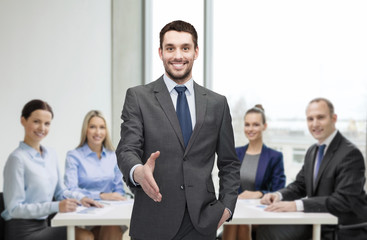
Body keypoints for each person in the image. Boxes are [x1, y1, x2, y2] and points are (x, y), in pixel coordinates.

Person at [116, 20, 241, 240]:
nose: (178, 56)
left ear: (196, 52)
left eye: (185, 48)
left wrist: (227, 208)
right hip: (153, 220)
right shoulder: (138, 97)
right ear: (160, 52)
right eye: (170, 48)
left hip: (201, 223)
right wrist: (138, 172)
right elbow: (127, 149)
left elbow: (229, 162)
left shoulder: (217, 103)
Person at [258, 98, 367, 240]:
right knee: (264, 228)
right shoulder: (312, 151)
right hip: (318, 222)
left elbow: (343, 200)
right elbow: (300, 185)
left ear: (334, 118)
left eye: (320, 117)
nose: (315, 124)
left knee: (270, 233)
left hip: (343, 230)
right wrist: (278, 195)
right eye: (310, 119)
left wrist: (296, 205)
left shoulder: (350, 154)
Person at [1, 99, 102, 240]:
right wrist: (56, 206)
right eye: (36, 121)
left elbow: (60, 191)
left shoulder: (50, 154)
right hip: (23, 232)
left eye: (47, 123)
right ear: (23, 121)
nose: (42, 128)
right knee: (84, 236)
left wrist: (82, 198)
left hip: (44, 225)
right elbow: (13, 209)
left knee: (99, 232)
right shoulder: (17, 159)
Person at [222, 105, 286, 240]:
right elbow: (227, 184)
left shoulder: (274, 156)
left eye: (256, 125)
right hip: (237, 208)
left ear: (264, 126)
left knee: (241, 221)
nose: (250, 129)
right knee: (235, 218)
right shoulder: (236, 153)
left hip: (261, 210)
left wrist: (259, 193)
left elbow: (280, 190)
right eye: (247, 124)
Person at [64, 110, 127, 240]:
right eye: (92, 127)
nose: (98, 132)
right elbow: (70, 190)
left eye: (102, 127)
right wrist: (101, 196)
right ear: (85, 130)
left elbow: (118, 189)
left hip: (108, 213)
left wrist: (119, 197)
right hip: (83, 214)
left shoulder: (113, 156)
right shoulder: (74, 156)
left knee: (112, 228)